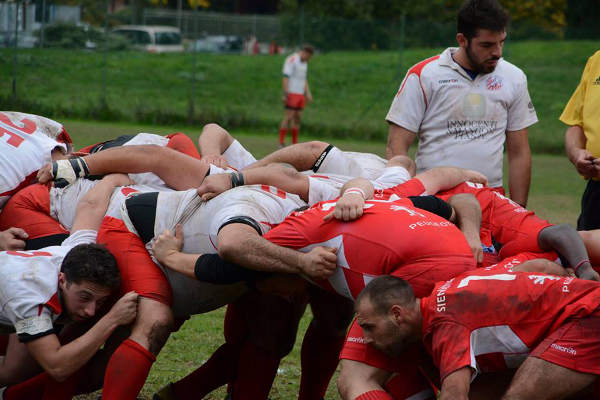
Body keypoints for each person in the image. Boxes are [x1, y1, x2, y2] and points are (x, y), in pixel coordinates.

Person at [385, 0, 537, 207]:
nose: (498, 52)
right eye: (487, 45)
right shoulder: (424, 75)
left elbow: (519, 152)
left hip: (491, 197)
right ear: (462, 40)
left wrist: (518, 209)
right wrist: (404, 198)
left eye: (501, 42)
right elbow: (397, 147)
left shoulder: (514, 77)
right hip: (435, 197)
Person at [355, 272, 600, 400]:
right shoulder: (446, 295)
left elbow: (454, 395)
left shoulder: (444, 321)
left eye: (369, 327)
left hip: (588, 314)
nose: (365, 338)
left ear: (397, 315)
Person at [0, 173, 138, 398]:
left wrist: (112, 180)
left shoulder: (76, 252)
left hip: (11, 284)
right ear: (62, 280)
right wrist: (112, 319)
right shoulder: (30, 297)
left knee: (18, 370)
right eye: (85, 297)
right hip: (16, 288)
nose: (91, 311)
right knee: (24, 366)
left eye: (100, 301)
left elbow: (90, 207)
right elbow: (58, 366)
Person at [561, 50, 600, 230]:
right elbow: (576, 124)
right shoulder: (596, 60)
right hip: (596, 191)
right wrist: (576, 153)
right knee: (585, 254)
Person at [279, 45, 314, 147]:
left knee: (298, 118)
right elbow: (285, 77)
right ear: (304, 52)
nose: (309, 59)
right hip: (292, 93)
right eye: (308, 57)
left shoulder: (305, 63)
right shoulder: (292, 59)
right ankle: (281, 142)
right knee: (288, 117)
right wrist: (285, 94)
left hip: (300, 94)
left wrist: (307, 92)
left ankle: (294, 143)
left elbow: (304, 79)